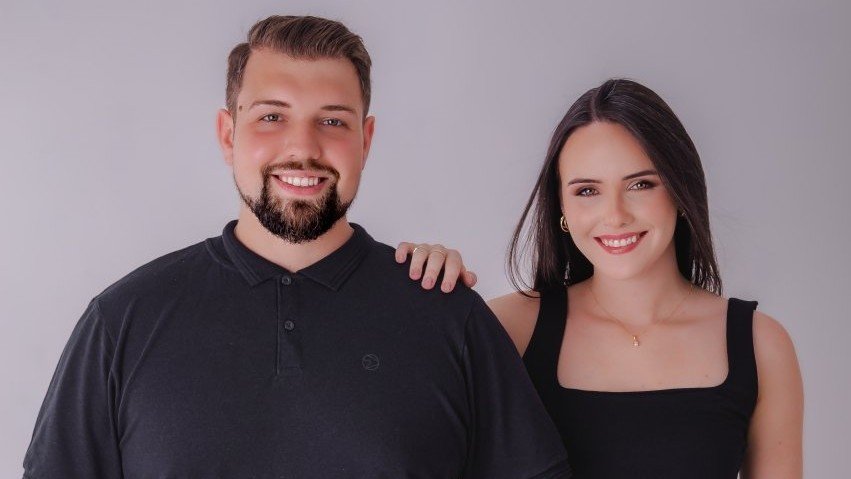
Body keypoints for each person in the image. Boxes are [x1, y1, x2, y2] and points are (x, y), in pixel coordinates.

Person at [23, 15, 571, 478]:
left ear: (366, 140)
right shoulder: (122, 321)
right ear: (228, 134)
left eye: (332, 121)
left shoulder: (448, 314)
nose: (302, 147)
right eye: (271, 117)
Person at [398, 79, 803, 478]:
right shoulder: (508, 329)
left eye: (641, 184)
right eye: (587, 191)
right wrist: (421, 296)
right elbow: (398, 445)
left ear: (680, 192)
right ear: (561, 207)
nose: (615, 216)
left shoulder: (761, 345)